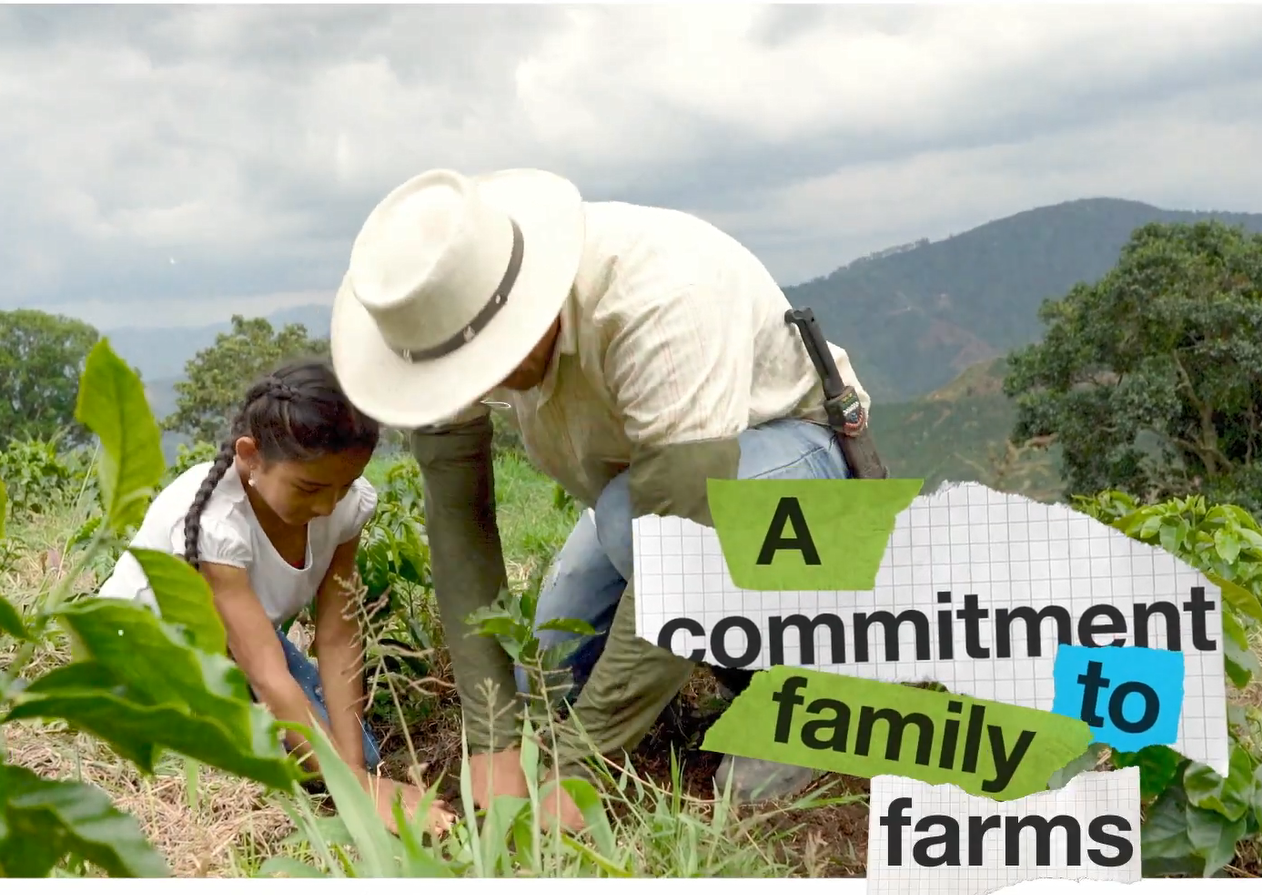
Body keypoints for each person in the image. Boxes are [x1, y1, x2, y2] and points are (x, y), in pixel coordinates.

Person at [327, 168, 874, 830]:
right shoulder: (439, 313)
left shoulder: (658, 298)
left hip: (791, 462)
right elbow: (458, 523)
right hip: (643, 494)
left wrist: (576, 765)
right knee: (551, 671)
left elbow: (684, 561)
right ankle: (681, 669)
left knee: (628, 527)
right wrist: (493, 735)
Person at [96, 358, 455, 835]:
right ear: (250, 455)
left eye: (343, 485)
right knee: (260, 762)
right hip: (146, 652)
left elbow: (337, 632)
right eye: (309, 487)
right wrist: (360, 792)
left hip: (236, 647)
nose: (327, 505)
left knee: (352, 754)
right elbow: (265, 673)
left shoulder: (342, 504)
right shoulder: (213, 522)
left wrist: (355, 775)